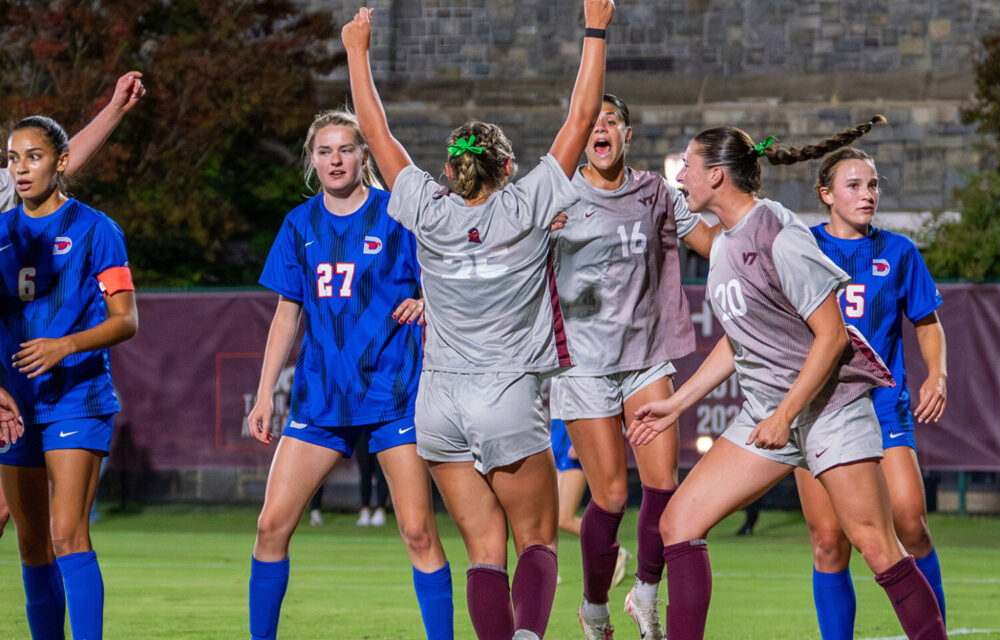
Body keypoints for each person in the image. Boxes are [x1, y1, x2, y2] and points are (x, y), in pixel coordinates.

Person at [343, 1, 614, 638]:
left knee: (483, 553)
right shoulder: (525, 205)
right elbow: (581, 116)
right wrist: (595, 29)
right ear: (508, 168)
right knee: (537, 540)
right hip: (508, 393)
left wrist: (357, 52)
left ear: (450, 169)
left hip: (436, 401)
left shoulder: (427, 211)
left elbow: (376, 135)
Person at [627, 119, 947, 640]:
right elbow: (739, 341)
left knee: (880, 548)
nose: (680, 172)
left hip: (829, 409)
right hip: (769, 413)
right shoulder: (727, 242)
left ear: (717, 176)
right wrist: (677, 404)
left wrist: (785, 414)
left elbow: (833, 336)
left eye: (688, 163)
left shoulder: (776, 232)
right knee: (677, 524)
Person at [245, 109, 452, 640]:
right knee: (271, 527)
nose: (335, 160)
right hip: (321, 398)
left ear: (364, 155)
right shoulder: (299, 225)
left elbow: (450, 278)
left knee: (417, 533)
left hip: (393, 394)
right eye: (324, 151)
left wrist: (428, 301)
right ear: (311, 162)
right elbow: (286, 315)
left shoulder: (398, 216)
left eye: (345, 150)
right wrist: (266, 393)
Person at [550, 92, 718, 639]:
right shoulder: (556, 195)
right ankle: (594, 608)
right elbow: (508, 258)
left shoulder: (657, 192)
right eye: (593, 121)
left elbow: (715, 243)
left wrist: (768, 234)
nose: (602, 128)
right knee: (612, 497)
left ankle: (645, 594)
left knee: (664, 487)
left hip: (644, 359)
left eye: (613, 120)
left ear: (628, 134)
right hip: (583, 367)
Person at [0, 73, 145, 640]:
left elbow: (126, 318)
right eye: (13, 158)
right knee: (31, 542)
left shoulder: (96, 229)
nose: (20, 166)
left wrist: (64, 345)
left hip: (77, 398)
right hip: (15, 404)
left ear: (57, 162)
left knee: (67, 535)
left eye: (32, 157)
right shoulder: (3, 231)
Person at [799, 147, 949, 640]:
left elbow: (926, 321)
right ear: (826, 194)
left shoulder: (899, 251)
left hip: (882, 404)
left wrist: (937, 374)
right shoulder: (800, 247)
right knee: (828, 542)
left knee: (909, 521)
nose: (868, 194)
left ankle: (932, 632)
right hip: (817, 408)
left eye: (873, 185)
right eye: (854, 185)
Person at [550, 417, 632, 588]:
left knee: (563, 518)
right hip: (556, 438)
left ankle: (612, 550)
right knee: (550, 515)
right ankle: (550, 570)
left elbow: (590, 409)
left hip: (572, 446)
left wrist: (583, 441)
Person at [354, 428, 391, 527]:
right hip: (363, 430)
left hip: (381, 430)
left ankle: (380, 510)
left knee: (381, 473)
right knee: (365, 473)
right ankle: (365, 510)